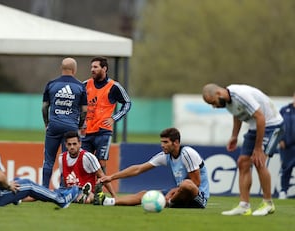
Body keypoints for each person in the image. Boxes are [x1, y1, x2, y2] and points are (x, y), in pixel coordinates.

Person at [202, 83, 284, 216]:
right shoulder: (228, 102)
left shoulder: (240, 95)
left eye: (213, 102)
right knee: (242, 162)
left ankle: (268, 203)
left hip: (272, 125)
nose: (214, 107)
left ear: (218, 94)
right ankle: (244, 205)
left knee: (259, 161)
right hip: (255, 126)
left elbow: (261, 117)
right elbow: (237, 115)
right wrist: (234, 136)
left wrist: (258, 149)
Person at [0, 124, 79, 207]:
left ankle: (17, 199)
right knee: (27, 184)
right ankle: (61, 199)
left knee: (17, 180)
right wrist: (8, 185)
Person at [97, 128, 209, 208]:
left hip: (196, 198)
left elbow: (195, 183)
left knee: (186, 184)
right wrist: (111, 177)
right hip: (179, 196)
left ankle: (169, 202)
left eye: (166, 142)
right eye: (161, 142)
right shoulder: (165, 156)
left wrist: (172, 193)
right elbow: (138, 169)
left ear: (176, 143)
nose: (162, 145)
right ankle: (107, 201)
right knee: (145, 195)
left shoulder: (187, 153)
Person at [42, 57, 87, 188]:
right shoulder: (80, 86)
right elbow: (84, 110)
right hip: (71, 127)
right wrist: (78, 126)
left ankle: (44, 188)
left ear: (61, 68)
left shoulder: (51, 84)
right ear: (74, 69)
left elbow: (44, 107)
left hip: (54, 126)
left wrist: (46, 123)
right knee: (66, 159)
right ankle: (63, 188)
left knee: (48, 160)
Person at [82, 56, 131, 173]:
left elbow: (127, 103)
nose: (92, 70)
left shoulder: (114, 87)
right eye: (91, 67)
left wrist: (114, 118)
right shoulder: (85, 85)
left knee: (101, 162)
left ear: (104, 68)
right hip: (86, 130)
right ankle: (85, 189)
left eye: (95, 67)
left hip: (103, 131)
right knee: (84, 161)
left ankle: (99, 190)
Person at [59, 131, 116, 204]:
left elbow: (102, 176)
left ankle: (86, 196)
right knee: (58, 194)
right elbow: (64, 178)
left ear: (80, 144)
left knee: (87, 199)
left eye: (74, 144)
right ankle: (80, 197)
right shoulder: (61, 158)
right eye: (69, 144)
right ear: (65, 145)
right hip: (70, 190)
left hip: (86, 190)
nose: (72, 147)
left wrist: (114, 196)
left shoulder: (87, 157)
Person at [278, 92, 295, 199]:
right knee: (286, 169)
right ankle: (283, 191)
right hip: (287, 146)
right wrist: (280, 139)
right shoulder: (284, 110)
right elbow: (278, 125)